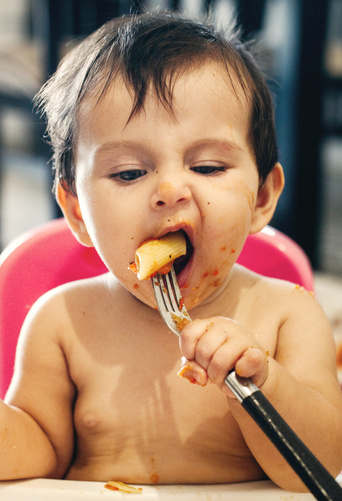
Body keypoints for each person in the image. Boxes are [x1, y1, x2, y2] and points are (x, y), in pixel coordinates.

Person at [1, 10, 342, 492]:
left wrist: (261, 381)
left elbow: (319, 466)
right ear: (76, 212)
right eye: (128, 173)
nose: (169, 190)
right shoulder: (62, 322)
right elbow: (40, 450)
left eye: (206, 166)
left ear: (263, 197)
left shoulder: (288, 315)